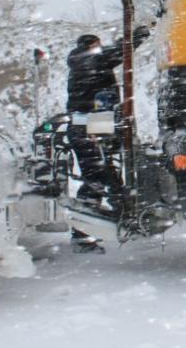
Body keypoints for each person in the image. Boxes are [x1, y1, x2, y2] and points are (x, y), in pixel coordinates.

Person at [65, 26, 150, 253]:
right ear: (91, 46)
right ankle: (83, 235)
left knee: (105, 175)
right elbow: (116, 54)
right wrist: (133, 39)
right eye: (97, 46)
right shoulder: (88, 60)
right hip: (89, 125)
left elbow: (111, 55)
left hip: (93, 123)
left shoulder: (85, 61)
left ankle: (122, 219)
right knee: (97, 177)